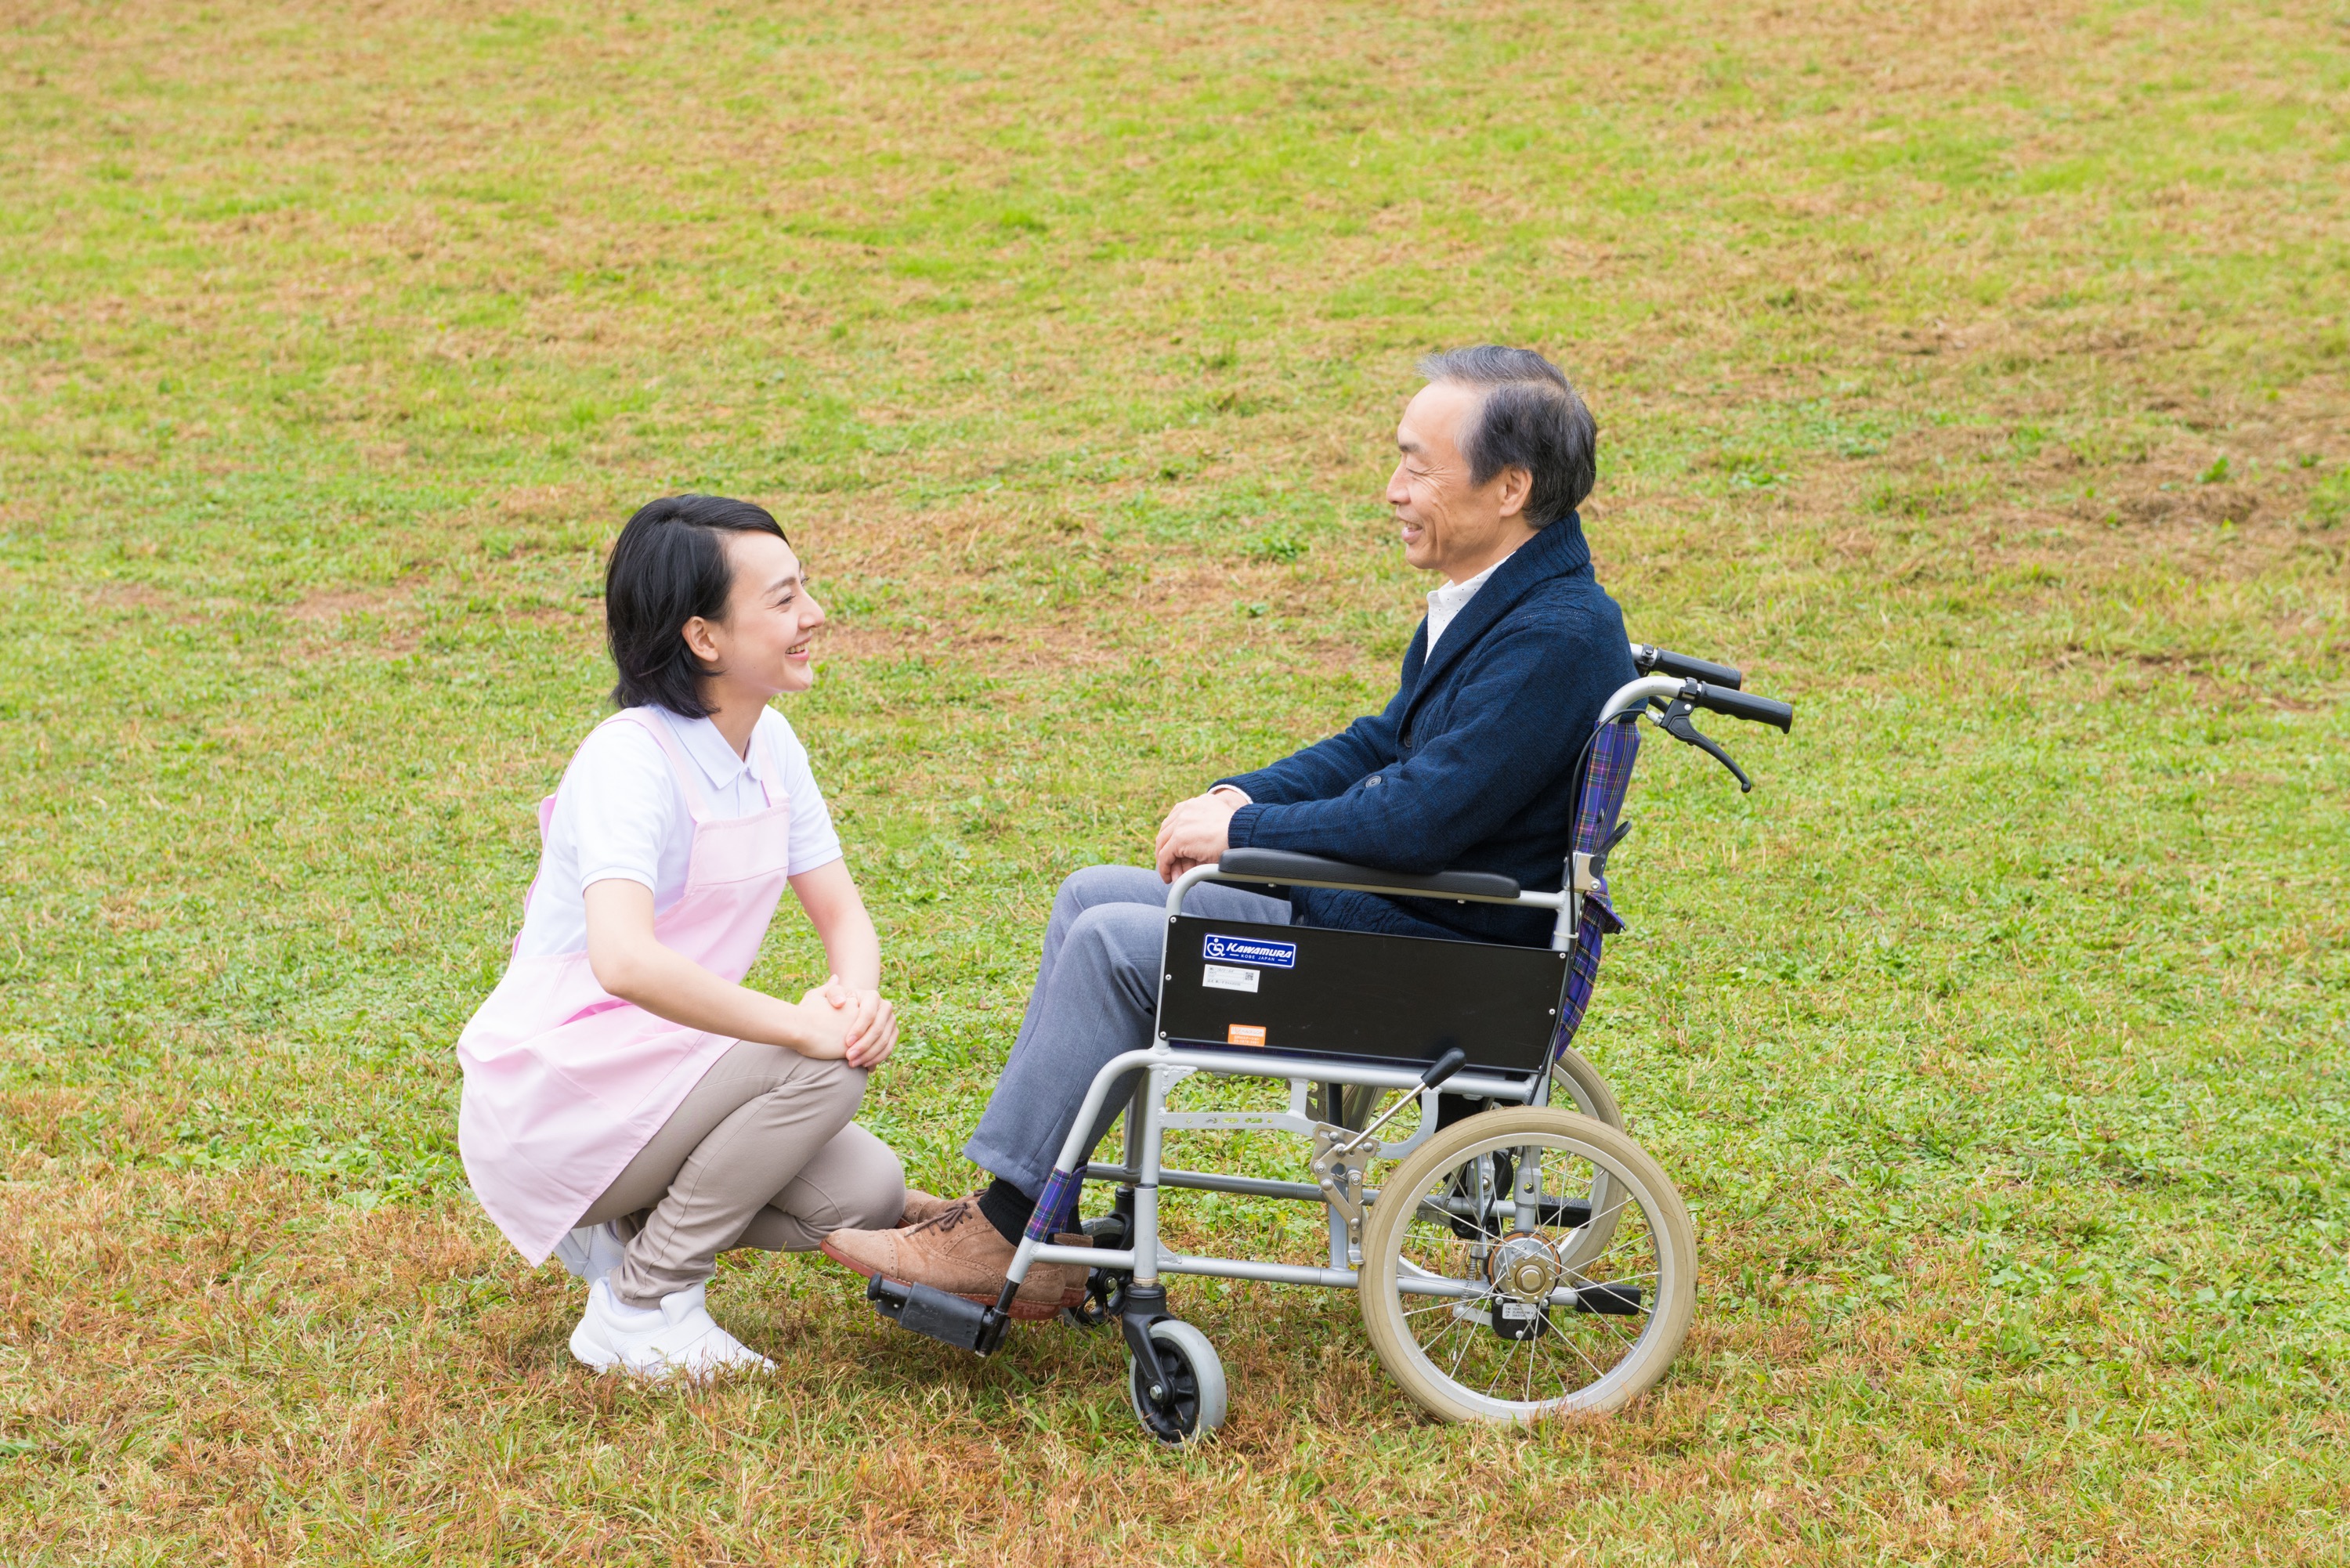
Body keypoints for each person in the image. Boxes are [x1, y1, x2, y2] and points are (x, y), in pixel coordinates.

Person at [820, 346, 1638, 1306]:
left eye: (1418, 467)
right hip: (1408, 926)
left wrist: (1246, 839)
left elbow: (1419, 818)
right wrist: (1236, 797)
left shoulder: (1553, 635)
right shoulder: (1505, 600)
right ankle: (1037, 1211)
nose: (1393, 489)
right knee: (1090, 894)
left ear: (1510, 487)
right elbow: (1383, 744)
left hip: (1436, 963)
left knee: (1115, 943)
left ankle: (1006, 1233)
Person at [458, 494, 944, 1380]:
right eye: (785, 599)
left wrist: (856, 1000)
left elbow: (843, 915)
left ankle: (627, 1231)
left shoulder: (772, 743)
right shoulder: (629, 760)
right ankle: (642, 1304)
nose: (815, 615)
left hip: (668, 1072)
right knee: (821, 1064)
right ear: (704, 638)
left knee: (863, 1191)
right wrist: (806, 1028)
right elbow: (624, 960)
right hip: (559, 1096)